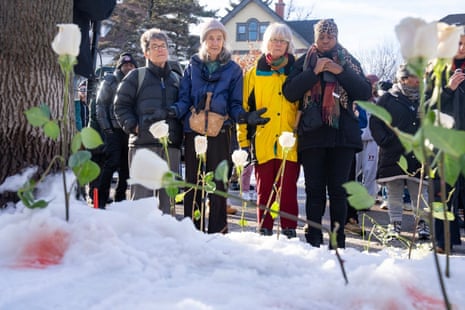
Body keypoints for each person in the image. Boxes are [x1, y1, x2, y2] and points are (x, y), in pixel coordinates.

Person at [169, 19, 269, 234]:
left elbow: (234, 103)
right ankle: (191, 230)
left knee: (219, 182)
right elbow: (184, 98)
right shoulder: (193, 65)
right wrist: (175, 111)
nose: (215, 42)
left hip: (220, 131)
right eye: (211, 38)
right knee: (194, 183)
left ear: (224, 41)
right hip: (194, 131)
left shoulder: (233, 69)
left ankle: (217, 232)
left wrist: (244, 116)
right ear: (204, 40)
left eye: (219, 38)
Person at [282, 19, 371, 248]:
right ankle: (313, 240)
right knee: (314, 191)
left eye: (330, 36)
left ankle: (337, 242)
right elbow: (290, 92)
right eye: (321, 36)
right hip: (312, 136)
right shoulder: (305, 62)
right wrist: (314, 72)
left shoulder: (349, 61)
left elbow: (363, 92)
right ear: (315, 37)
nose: (325, 41)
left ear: (337, 37)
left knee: (339, 192)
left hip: (343, 137)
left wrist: (339, 71)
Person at [238, 23, 300, 238]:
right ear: (267, 42)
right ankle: (264, 228)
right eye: (274, 40)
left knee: (288, 190)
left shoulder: (296, 71)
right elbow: (243, 109)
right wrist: (244, 141)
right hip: (263, 139)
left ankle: (290, 229)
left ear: (288, 45)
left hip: (289, 141)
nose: (277, 44)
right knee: (264, 189)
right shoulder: (254, 72)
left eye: (282, 41)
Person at [114, 28, 183, 214]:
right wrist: (134, 127)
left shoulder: (177, 79)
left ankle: (166, 241)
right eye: (155, 46)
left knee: (168, 204)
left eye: (163, 46)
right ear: (146, 52)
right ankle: (139, 242)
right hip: (142, 146)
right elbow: (120, 106)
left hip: (171, 148)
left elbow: (183, 108)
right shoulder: (136, 76)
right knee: (141, 205)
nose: (160, 49)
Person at [370, 65, 430, 239]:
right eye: (414, 76)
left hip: (417, 152)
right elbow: (376, 121)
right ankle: (394, 223)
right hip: (393, 151)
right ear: (403, 79)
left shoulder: (425, 98)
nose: (418, 79)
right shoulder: (388, 98)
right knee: (394, 191)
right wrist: (384, 140)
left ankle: (422, 224)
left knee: (419, 192)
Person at [430, 32, 465, 252]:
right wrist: (448, 89)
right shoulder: (438, 72)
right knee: (443, 192)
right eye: (458, 44)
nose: (462, 48)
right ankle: (443, 240)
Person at [95, 52, 137, 209]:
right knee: (110, 163)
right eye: (125, 65)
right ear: (120, 66)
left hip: (129, 131)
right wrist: (107, 128)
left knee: (126, 168)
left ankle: (120, 200)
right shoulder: (110, 81)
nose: (128, 67)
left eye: (132, 65)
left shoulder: (136, 82)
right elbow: (100, 105)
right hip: (113, 130)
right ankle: (101, 199)